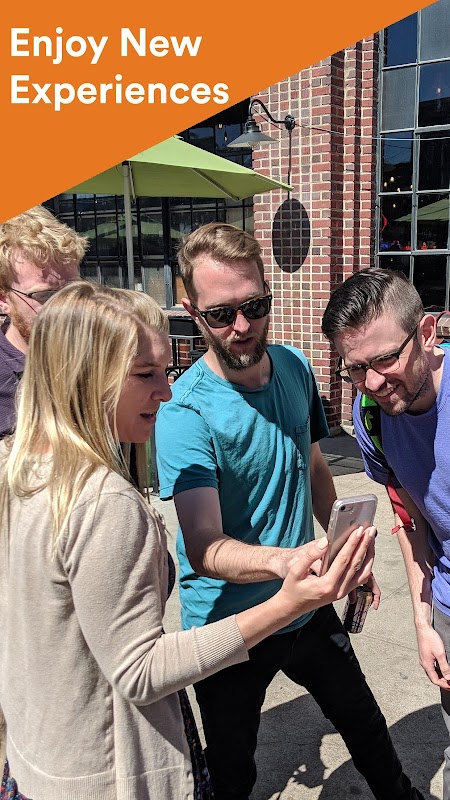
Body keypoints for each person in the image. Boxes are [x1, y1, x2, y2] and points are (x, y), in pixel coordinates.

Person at [0, 280, 377, 800]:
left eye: (165, 370)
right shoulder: (103, 503)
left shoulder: (21, 469)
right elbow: (140, 670)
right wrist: (287, 604)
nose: (166, 391)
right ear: (85, 377)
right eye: (145, 374)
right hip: (109, 775)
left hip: (42, 760)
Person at [155, 222, 424, 800]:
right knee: (233, 774)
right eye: (221, 314)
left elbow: (315, 466)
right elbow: (202, 544)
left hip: (308, 607)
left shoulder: (295, 367)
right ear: (191, 311)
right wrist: (286, 563)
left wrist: (346, 550)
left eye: (255, 306)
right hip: (230, 628)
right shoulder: (183, 412)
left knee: (367, 730)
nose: (242, 326)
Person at [322, 267, 450, 800]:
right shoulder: (370, 416)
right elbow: (410, 518)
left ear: (427, 333)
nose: (373, 382)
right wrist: (423, 620)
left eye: (385, 360)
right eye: (356, 368)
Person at [0, 205, 86, 437]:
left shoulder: (96, 357)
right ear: (3, 299)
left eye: (74, 290)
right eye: (46, 296)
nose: (65, 306)